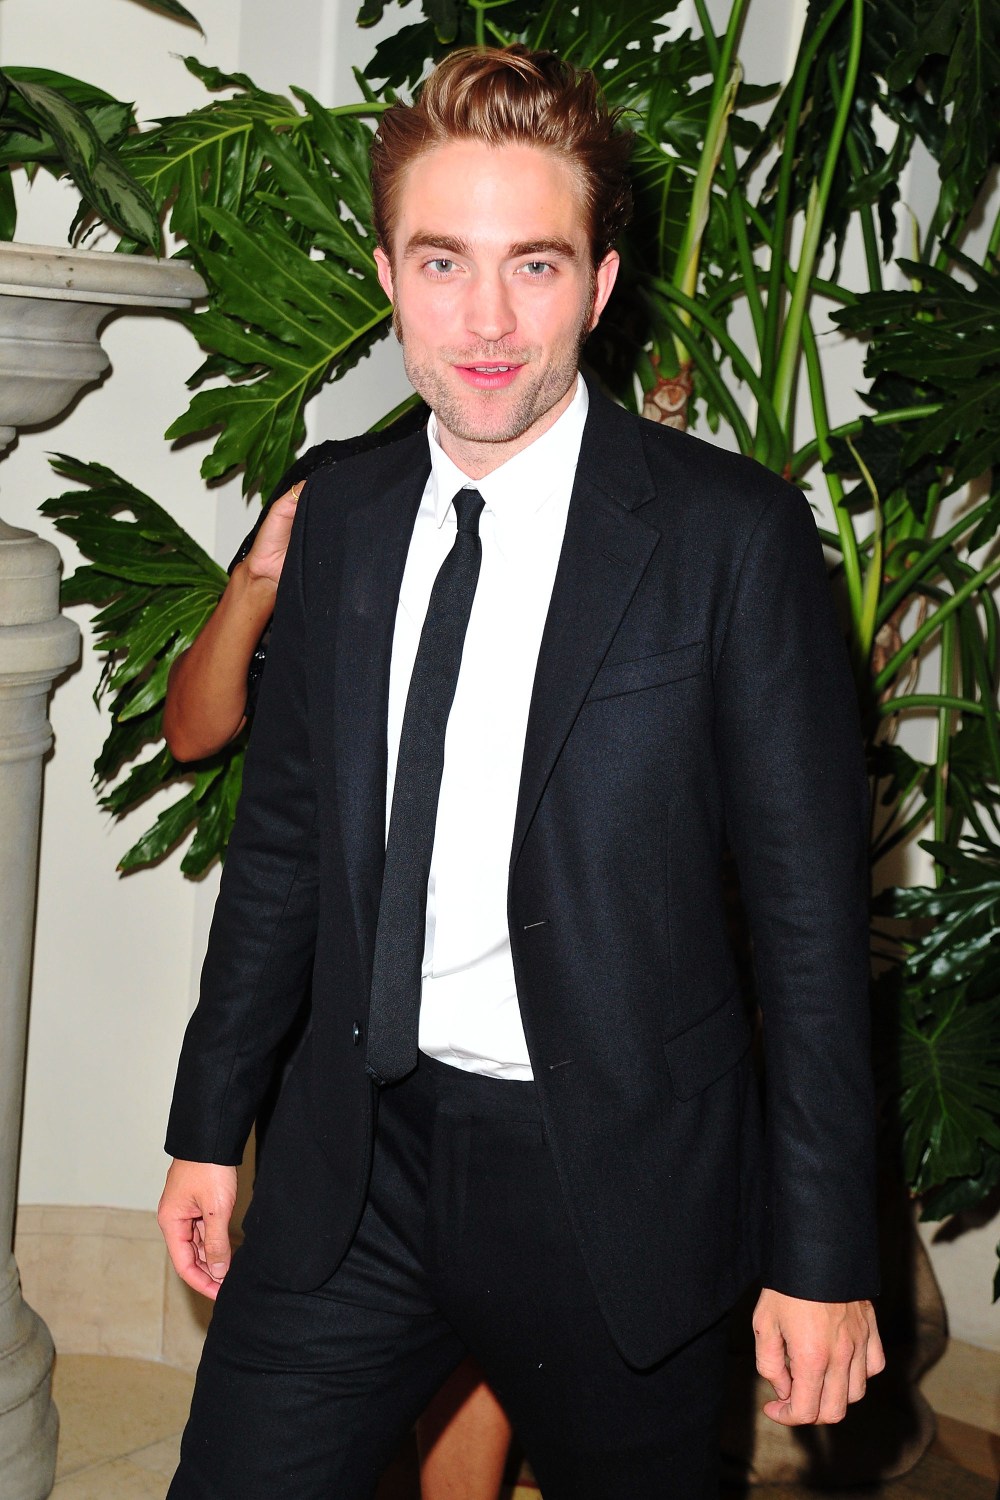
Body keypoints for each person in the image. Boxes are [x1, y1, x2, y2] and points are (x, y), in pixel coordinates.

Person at [158, 43, 884, 1500]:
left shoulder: (731, 540)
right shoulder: (342, 515)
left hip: (611, 1178)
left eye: (534, 266)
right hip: (355, 1163)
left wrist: (821, 1255)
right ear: (388, 277)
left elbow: (811, 930)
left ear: (600, 286)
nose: (486, 321)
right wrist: (205, 1127)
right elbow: (285, 847)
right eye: (443, 263)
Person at [164, 430, 513, 1500]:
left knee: (483, 1340)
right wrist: (258, 581)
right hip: (323, 981)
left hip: (487, 1002)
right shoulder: (342, 487)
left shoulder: (566, 513)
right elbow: (194, 732)